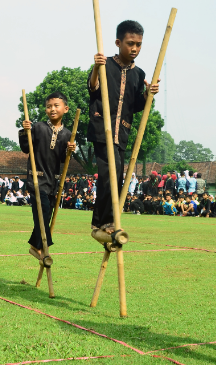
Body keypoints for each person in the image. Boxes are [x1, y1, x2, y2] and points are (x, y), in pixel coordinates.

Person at [87, 20, 160, 234]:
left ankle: (103, 221)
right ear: (118, 42)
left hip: (123, 132)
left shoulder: (139, 74)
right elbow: (92, 89)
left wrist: (148, 95)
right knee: (110, 172)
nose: (135, 48)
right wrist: (95, 67)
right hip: (102, 129)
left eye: (138, 44)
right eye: (130, 43)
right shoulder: (105, 64)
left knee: (118, 177)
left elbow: (136, 105)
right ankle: (105, 221)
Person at [19, 92, 76, 257]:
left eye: (56, 106)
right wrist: (25, 131)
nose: (52, 109)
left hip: (53, 182)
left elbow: (63, 161)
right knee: (42, 209)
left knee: (46, 213)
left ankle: (34, 244)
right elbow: (25, 148)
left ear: (65, 109)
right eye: (49, 106)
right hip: (36, 178)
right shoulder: (37, 127)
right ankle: (43, 244)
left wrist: (69, 151)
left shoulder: (67, 134)